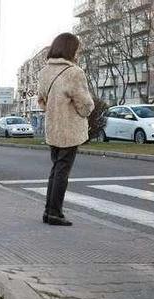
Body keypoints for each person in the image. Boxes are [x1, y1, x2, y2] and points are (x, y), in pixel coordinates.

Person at [37, 32, 94, 227]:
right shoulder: (74, 72)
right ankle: (55, 212)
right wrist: (87, 111)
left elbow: (41, 100)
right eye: (77, 48)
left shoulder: (45, 72)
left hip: (53, 127)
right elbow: (84, 103)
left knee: (56, 169)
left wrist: (53, 109)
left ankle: (48, 210)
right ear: (71, 49)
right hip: (69, 128)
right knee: (63, 171)